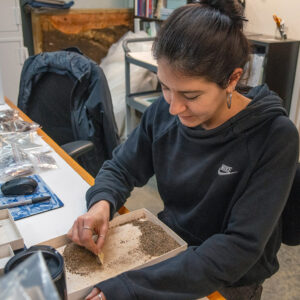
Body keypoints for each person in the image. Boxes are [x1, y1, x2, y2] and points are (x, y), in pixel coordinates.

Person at [68, 1, 299, 299]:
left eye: (190, 95)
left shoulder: (274, 137)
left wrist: (130, 289)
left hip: (229, 278)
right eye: (165, 86)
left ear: (232, 79)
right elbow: (122, 168)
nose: (174, 107)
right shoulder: (163, 112)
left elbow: (238, 248)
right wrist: (101, 203)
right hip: (169, 249)